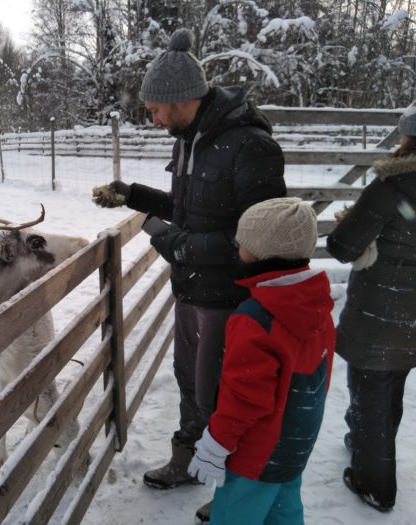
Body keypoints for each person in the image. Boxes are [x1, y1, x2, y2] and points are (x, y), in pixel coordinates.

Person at [92, 27, 286, 492]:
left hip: (229, 297)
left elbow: (264, 235)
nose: (154, 119)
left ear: (180, 100)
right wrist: (134, 194)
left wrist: (182, 246)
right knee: (189, 379)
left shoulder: (249, 146)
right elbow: (189, 210)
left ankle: (232, 486)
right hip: (191, 287)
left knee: (222, 392)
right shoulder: (190, 139)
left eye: (156, 110)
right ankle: (191, 461)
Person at [187, 197, 335, 525]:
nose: (237, 247)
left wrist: (215, 444)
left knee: (236, 514)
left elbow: (244, 398)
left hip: (255, 454)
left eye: (244, 242)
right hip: (294, 443)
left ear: (262, 252)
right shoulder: (316, 303)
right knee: (283, 508)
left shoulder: (255, 319)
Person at [326, 102, 416, 512]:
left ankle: (374, 484)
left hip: (382, 314)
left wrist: (351, 223)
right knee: (389, 387)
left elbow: (342, 247)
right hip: (410, 318)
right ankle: (365, 442)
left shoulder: (393, 186)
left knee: (371, 390)